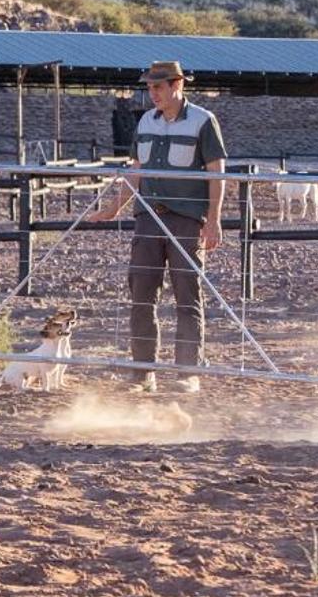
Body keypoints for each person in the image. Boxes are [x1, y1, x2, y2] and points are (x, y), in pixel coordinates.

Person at [91, 60, 226, 393]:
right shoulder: (145, 122)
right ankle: (142, 372)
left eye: (158, 86)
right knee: (141, 294)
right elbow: (136, 170)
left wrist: (213, 220)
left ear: (177, 85)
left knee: (187, 295)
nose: (153, 93)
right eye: (150, 87)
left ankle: (187, 372)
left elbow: (216, 172)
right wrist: (114, 208)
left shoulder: (203, 121)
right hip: (148, 218)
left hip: (186, 219)